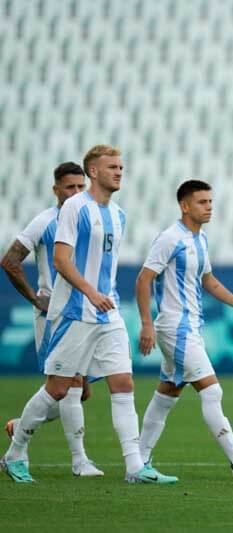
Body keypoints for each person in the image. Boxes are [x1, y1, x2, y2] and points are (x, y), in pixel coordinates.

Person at [1, 145, 177, 484]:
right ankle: (15, 452)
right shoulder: (74, 209)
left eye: (122, 167)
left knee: (123, 382)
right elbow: (61, 261)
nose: (119, 172)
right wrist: (90, 292)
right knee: (57, 388)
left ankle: (135, 467)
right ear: (93, 171)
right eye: (112, 166)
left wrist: (103, 296)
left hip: (107, 313)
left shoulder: (119, 215)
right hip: (73, 313)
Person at [136, 180, 233, 480]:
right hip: (176, 327)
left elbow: (209, 281)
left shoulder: (200, 239)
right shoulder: (170, 239)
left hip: (190, 327)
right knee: (212, 390)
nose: (209, 207)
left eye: (210, 202)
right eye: (202, 202)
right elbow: (143, 279)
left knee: (167, 395)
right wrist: (147, 323)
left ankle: (138, 463)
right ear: (185, 206)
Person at [1, 162, 102, 477]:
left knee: (81, 390)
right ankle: (78, 460)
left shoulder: (91, 217)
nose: (75, 193)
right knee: (69, 386)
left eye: (80, 187)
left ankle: (21, 425)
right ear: (56, 189)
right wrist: (35, 297)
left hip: (84, 311)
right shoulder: (45, 221)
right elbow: (10, 260)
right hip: (56, 315)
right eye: (69, 187)